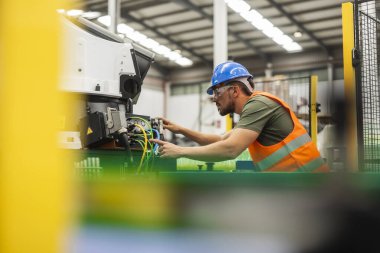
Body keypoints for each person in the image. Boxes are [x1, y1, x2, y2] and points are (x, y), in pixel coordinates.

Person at [150, 61, 328, 172]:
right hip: (299, 187)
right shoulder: (253, 110)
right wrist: (180, 130)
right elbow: (220, 140)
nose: (214, 98)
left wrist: (180, 151)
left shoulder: (259, 105)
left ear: (234, 90)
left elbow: (230, 149)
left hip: (310, 185)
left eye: (217, 91)